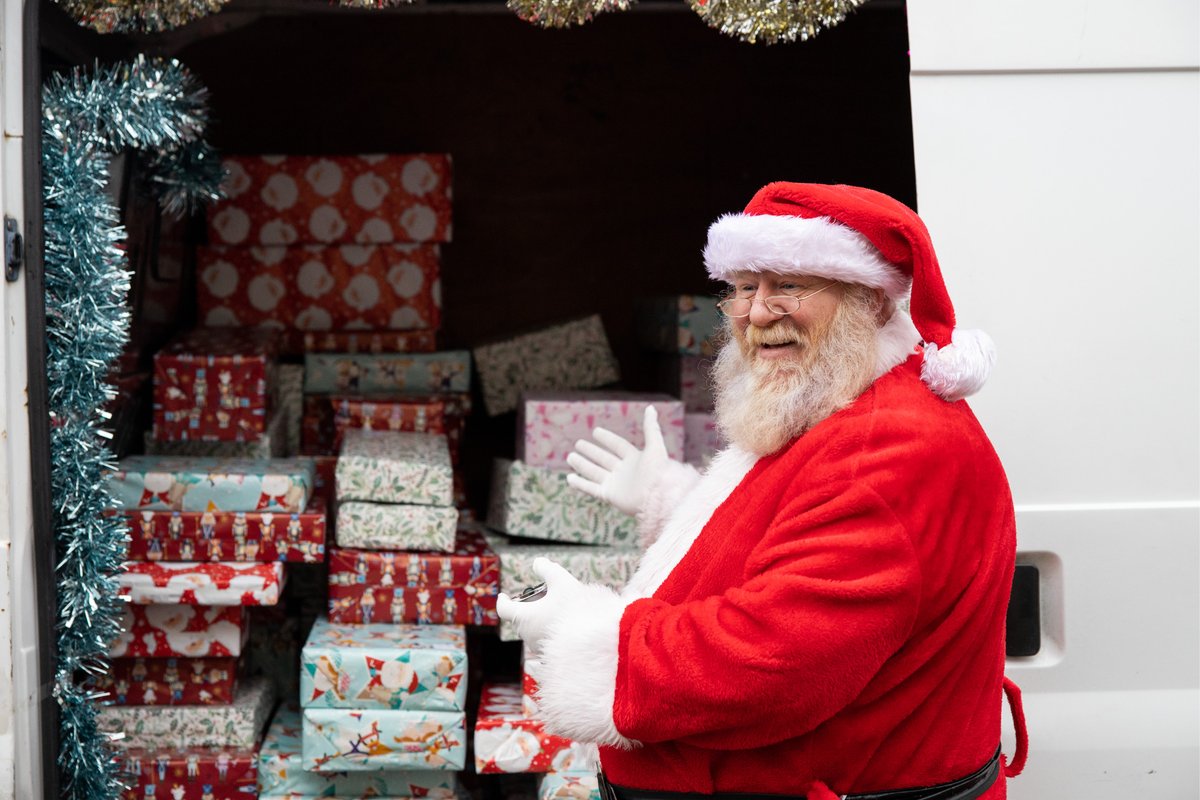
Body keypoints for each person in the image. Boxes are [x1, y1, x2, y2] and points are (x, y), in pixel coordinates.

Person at [497, 182, 1027, 800]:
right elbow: (797, 536)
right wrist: (673, 501)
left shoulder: (886, 446)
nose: (757, 313)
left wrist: (593, 635)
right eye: (746, 288)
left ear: (874, 304)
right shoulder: (838, 400)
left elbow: (774, 662)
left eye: (789, 286)